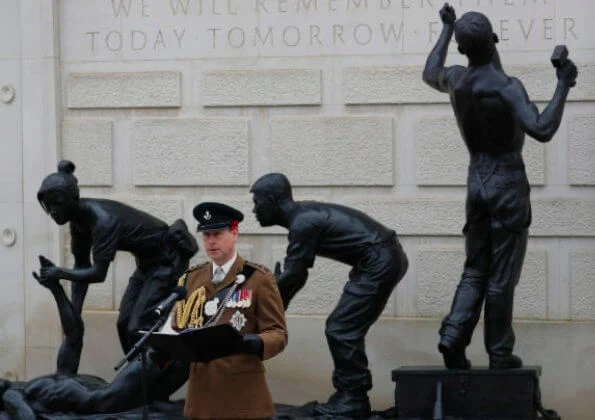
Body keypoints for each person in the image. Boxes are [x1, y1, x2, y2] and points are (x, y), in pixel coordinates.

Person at [422, 4, 577, 369]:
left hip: (476, 181)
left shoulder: (457, 79)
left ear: (462, 49)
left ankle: (453, 336)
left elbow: (430, 71)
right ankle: (499, 352)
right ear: (494, 40)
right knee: (502, 273)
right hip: (506, 182)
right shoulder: (507, 88)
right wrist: (563, 85)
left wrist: (445, 29)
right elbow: (541, 129)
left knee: (475, 268)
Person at [250, 173, 409, 419]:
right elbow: (296, 277)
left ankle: (353, 398)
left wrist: (270, 304)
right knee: (342, 327)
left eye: (258, 202)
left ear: (272, 200)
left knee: (341, 328)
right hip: (380, 257)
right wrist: (276, 309)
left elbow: (293, 275)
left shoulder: (302, 223)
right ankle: (351, 395)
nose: (254, 210)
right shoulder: (302, 219)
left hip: (380, 259)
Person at [36, 160, 198, 374]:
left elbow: (97, 274)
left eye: (58, 203)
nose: (54, 211)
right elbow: (82, 266)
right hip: (146, 265)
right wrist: (75, 314)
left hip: (168, 262)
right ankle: (137, 379)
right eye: (48, 205)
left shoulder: (102, 220)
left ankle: (149, 383)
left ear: (72, 199)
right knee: (123, 324)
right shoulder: (78, 223)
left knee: (137, 327)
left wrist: (60, 273)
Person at [171, 202, 287, 420]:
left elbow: (278, 333)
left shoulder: (259, 279)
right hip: (201, 399)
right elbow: (179, 326)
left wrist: (256, 342)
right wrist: (164, 348)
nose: (211, 241)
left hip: (242, 397)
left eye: (217, 233)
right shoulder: (191, 279)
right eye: (206, 235)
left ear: (234, 233)